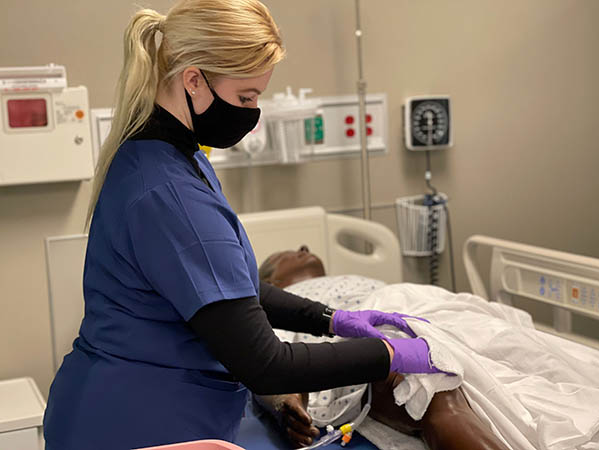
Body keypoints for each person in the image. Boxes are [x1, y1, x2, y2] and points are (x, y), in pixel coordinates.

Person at [42, 2, 442, 449]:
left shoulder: (174, 157)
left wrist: (334, 319)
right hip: (136, 425)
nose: (254, 115)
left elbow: (232, 289)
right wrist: (391, 355)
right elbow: (265, 364)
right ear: (193, 80)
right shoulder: (167, 193)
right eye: (245, 97)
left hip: (135, 403)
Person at [257, 247, 509, 450]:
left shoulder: (360, 279)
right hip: (373, 348)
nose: (304, 248)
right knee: (431, 390)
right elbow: (268, 359)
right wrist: (285, 399)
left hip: (428, 313)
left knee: (504, 348)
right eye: (285, 252)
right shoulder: (272, 309)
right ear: (267, 282)